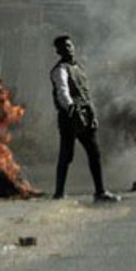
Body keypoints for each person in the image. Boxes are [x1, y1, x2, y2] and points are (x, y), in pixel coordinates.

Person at [49, 36, 120, 203]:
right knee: (67, 155)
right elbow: (63, 91)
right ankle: (59, 193)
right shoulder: (60, 70)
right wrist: (70, 108)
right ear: (58, 51)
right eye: (63, 47)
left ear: (73, 46)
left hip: (85, 114)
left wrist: (92, 115)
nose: (67, 49)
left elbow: (86, 94)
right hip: (70, 116)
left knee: (94, 152)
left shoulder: (79, 67)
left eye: (68, 45)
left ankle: (100, 192)